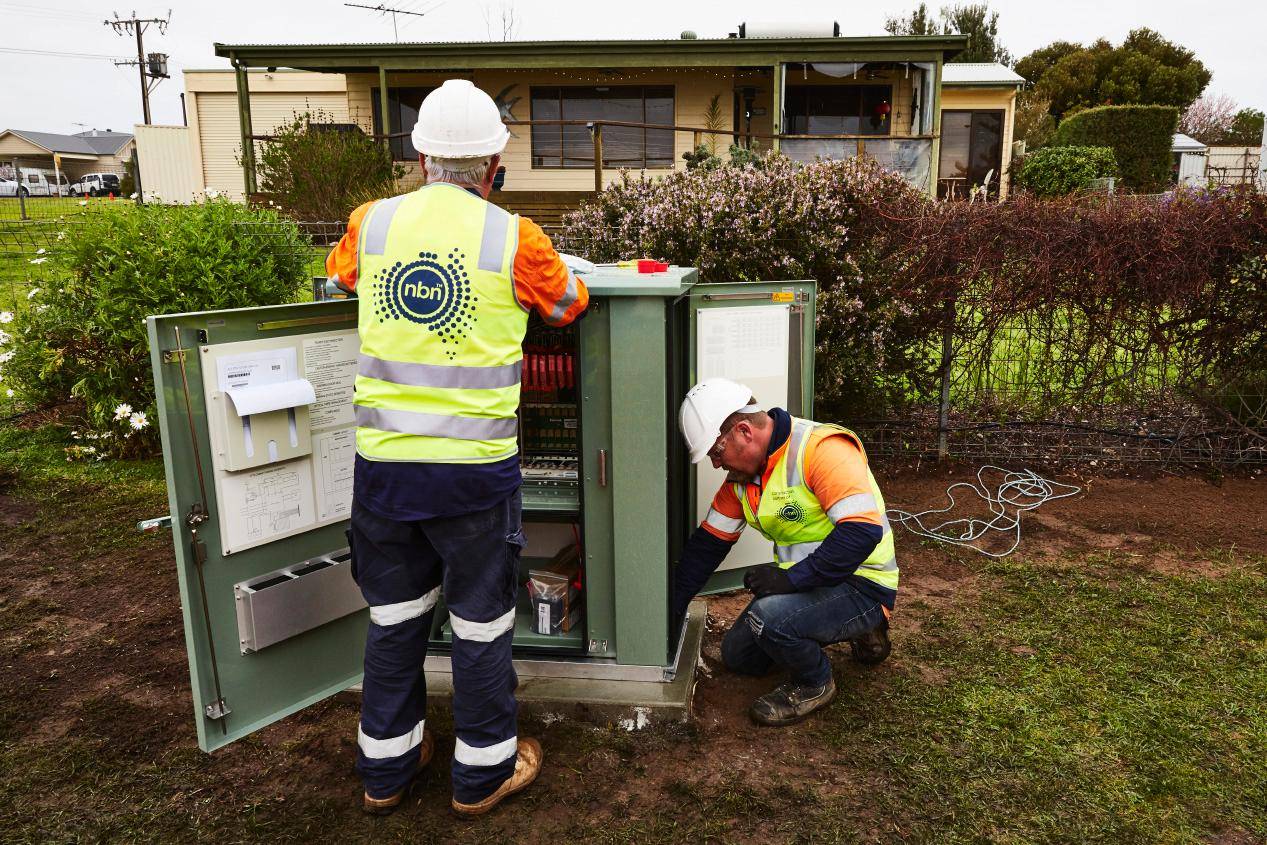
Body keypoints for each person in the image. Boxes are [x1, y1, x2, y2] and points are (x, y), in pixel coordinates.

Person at [325, 79, 589, 817]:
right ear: (493, 165)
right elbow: (568, 303)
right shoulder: (515, 237)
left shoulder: (370, 223)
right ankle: (481, 776)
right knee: (479, 627)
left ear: (420, 159)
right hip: (472, 478)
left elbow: (338, 280)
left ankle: (387, 770)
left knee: (394, 618)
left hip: (385, 474)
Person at [673, 378, 898, 726]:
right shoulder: (742, 482)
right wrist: (672, 608)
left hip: (861, 583)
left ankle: (815, 682)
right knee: (738, 655)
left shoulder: (822, 449)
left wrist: (791, 579)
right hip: (811, 583)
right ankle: (818, 627)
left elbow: (860, 533)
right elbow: (708, 546)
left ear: (744, 431)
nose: (716, 464)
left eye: (717, 452)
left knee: (769, 619)